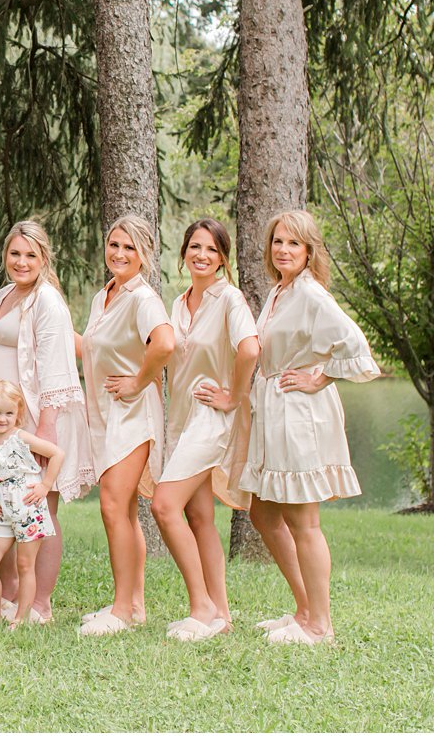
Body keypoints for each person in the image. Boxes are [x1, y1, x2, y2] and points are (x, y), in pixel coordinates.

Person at [238, 209, 380, 645]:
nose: (284, 249)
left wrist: (320, 377)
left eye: (293, 244)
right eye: (278, 241)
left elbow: (355, 345)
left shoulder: (312, 294)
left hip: (301, 415)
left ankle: (321, 625)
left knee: (304, 521)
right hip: (273, 413)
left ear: (309, 251)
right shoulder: (280, 291)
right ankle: (303, 610)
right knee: (263, 512)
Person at [0, 220, 93, 624]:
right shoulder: (4, 295)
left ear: (44, 258)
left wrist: (46, 429)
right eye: (15, 253)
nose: (21, 262)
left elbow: (57, 367)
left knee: (38, 511)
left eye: (30, 255)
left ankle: (39, 602)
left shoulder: (47, 302)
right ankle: (9, 593)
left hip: (34, 423)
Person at [150, 218, 259, 642]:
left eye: (211, 250)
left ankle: (200, 608)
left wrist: (234, 395)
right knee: (198, 516)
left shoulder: (230, 299)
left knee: (164, 506)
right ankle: (222, 616)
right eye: (195, 247)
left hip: (210, 420)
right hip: (179, 420)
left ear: (222, 259)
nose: (201, 255)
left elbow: (250, 348)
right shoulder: (178, 305)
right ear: (183, 254)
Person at [78, 214, 174, 637]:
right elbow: (94, 348)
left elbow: (166, 343)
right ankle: (133, 605)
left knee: (114, 506)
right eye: (114, 244)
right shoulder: (106, 296)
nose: (119, 253)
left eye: (129, 248)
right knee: (125, 510)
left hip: (132, 412)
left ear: (144, 255)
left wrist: (139, 379)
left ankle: (120, 611)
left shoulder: (142, 299)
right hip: (105, 412)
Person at [0, 380, 63, 629]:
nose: (2, 419)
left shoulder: (20, 438)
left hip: (28, 510)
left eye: (9, 413)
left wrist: (45, 485)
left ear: (18, 415)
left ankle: (21, 618)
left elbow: (57, 454)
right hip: (4, 513)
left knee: (25, 565)